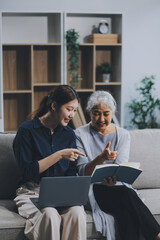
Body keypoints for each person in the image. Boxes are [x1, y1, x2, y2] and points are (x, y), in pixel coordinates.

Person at [75, 90, 160, 240]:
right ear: (89, 113)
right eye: (96, 113)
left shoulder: (123, 134)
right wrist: (101, 158)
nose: (101, 118)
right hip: (94, 190)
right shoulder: (79, 134)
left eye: (106, 113)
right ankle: (157, 233)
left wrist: (115, 178)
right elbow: (83, 172)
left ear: (113, 113)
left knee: (126, 213)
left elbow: (121, 165)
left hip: (116, 188)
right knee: (127, 194)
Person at [13, 85, 86, 240]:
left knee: (78, 213)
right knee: (50, 215)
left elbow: (71, 172)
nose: (72, 114)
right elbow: (27, 171)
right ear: (54, 106)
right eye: (69, 109)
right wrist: (59, 155)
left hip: (61, 193)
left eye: (75, 110)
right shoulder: (27, 130)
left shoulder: (69, 135)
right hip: (32, 192)